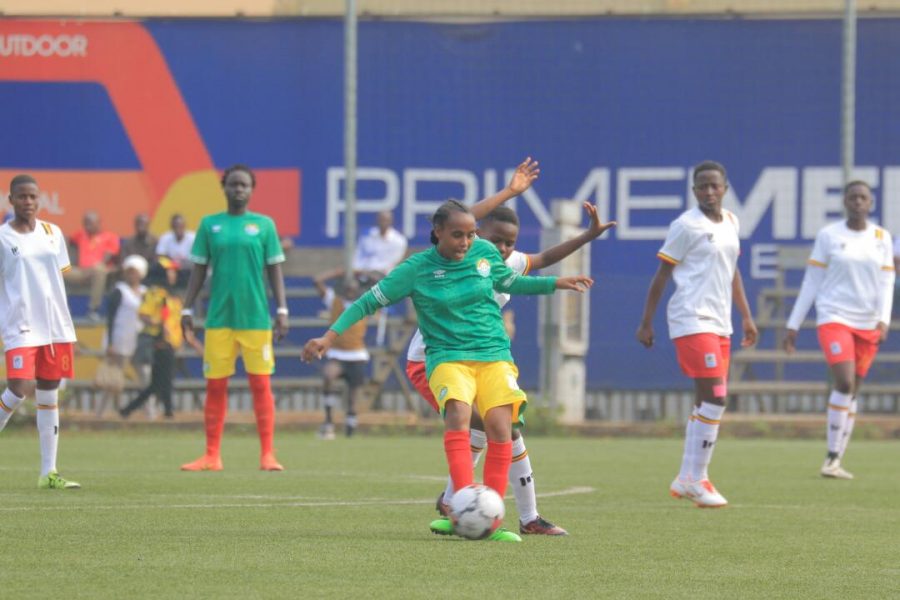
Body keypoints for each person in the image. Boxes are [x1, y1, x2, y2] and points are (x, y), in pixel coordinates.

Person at [302, 200, 593, 542]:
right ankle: (461, 506)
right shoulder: (416, 269)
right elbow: (368, 302)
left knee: (501, 426)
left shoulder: (484, 253)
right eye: (458, 235)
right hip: (447, 357)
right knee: (459, 413)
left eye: (470, 234)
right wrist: (328, 336)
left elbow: (511, 282)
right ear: (437, 232)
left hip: (493, 354)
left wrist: (556, 283)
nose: (466, 242)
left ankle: (491, 520)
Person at [414, 157, 614, 536]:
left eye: (510, 243)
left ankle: (465, 505)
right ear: (473, 234)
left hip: (480, 359)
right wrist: (508, 192)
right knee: (498, 429)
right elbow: (460, 217)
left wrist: (589, 236)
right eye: (495, 240)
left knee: (498, 428)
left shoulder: (504, 261)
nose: (504, 249)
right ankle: (508, 514)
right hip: (434, 360)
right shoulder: (462, 250)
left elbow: (545, 259)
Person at [636, 161, 757, 509]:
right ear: (694, 191)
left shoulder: (731, 221)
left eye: (714, 185)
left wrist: (746, 316)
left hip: (721, 322)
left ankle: (688, 477)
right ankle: (695, 478)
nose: (708, 191)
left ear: (725, 188)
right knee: (716, 397)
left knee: (706, 401)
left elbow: (732, 272)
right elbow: (662, 274)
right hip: (691, 317)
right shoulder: (686, 225)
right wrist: (646, 322)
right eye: (702, 186)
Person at [180, 164, 289, 472]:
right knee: (215, 386)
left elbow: (275, 270)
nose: (239, 189)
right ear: (224, 187)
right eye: (233, 184)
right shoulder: (209, 224)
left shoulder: (264, 225)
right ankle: (211, 455)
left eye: (244, 185)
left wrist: (282, 310)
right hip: (219, 319)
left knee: (260, 385)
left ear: (252, 190)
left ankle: (267, 455)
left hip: (256, 319)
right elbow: (198, 270)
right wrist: (186, 308)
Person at [783, 181, 895, 480]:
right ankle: (831, 455)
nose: (858, 202)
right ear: (844, 202)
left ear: (871, 203)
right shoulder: (829, 235)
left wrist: (884, 319)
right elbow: (812, 281)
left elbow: (887, 282)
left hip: (868, 323)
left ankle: (835, 461)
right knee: (844, 382)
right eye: (853, 197)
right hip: (834, 317)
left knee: (853, 389)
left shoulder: (881, 237)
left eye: (863, 197)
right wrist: (793, 323)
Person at [0, 174, 81, 489]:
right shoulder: (3, 237)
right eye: (21, 196)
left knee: (49, 392)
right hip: (20, 324)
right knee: (19, 387)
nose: (28, 201)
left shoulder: (52, 232)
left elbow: (58, 276)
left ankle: (49, 472)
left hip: (55, 325)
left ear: (39, 199)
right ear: (11, 200)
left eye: (33, 196)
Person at [120, 262, 195, 419]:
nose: (173, 275)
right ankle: (168, 411)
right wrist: (159, 324)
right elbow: (143, 314)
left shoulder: (173, 295)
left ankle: (129, 409)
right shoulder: (155, 293)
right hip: (160, 341)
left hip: (171, 342)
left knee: (158, 382)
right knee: (164, 379)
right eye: (169, 272)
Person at [312, 268, 379, 439]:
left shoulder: (366, 304)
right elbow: (317, 280)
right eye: (347, 287)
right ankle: (328, 420)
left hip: (356, 354)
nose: (350, 290)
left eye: (353, 287)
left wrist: (366, 274)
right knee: (329, 376)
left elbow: (382, 287)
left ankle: (350, 422)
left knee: (353, 394)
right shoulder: (335, 302)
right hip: (338, 354)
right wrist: (339, 272)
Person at [95, 254, 148, 416]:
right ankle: (101, 414)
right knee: (113, 381)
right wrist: (110, 343)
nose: (132, 275)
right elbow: (111, 318)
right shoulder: (120, 291)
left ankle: (150, 413)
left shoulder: (145, 292)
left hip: (138, 340)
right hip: (120, 340)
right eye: (129, 272)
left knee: (145, 377)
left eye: (135, 272)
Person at [65, 210, 120, 320]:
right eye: (85, 223)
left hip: (97, 271)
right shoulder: (80, 234)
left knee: (99, 269)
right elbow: (67, 239)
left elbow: (107, 257)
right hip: (81, 272)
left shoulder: (110, 237)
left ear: (99, 223)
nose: (87, 226)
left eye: (90, 223)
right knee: (60, 271)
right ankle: (63, 310)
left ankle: (93, 309)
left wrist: (94, 268)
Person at [352, 210, 408, 275]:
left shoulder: (399, 240)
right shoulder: (367, 236)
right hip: (364, 273)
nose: (383, 223)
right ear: (377, 220)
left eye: (386, 220)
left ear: (391, 221)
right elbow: (358, 256)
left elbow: (394, 262)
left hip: (385, 275)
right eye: (381, 220)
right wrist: (357, 269)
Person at [156, 213, 195, 288]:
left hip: (188, 267)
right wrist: (172, 266)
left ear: (184, 226)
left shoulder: (193, 238)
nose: (178, 229)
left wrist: (180, 265)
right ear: (172, 227)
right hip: (170, 268)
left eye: (180, 226)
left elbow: (197, 258)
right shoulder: (165, 237)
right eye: (176, 226)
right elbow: (160, 257)